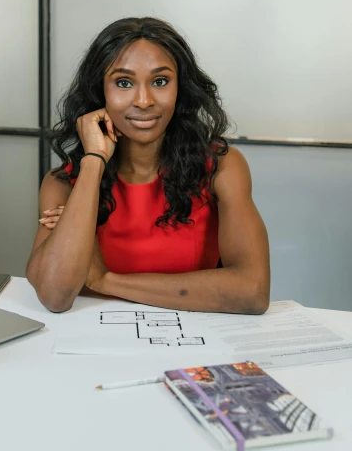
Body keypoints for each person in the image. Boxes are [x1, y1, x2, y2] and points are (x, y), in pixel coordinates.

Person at [26, 17, 270, 314]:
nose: (143, 101)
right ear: (100, 92)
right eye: (124, 82)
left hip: (192, 339)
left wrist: (104, 281)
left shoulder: (221, 168)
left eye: (160, 81)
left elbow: (252, 292)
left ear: (181, 88)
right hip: (95, 341)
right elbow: (54, 295)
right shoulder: (64, 183)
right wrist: (93, 161)